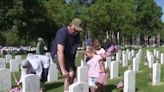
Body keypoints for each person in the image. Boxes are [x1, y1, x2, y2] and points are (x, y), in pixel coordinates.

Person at [51, 18, 83, 92]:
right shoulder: (62, 32)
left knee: (73, 75)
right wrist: (63, 70)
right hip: (58, 55)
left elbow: (73, 51)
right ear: (71, 25)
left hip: (69, 56)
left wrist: (72, 65)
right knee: (69, 74)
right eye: (75, 30)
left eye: (78, 31)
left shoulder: (77, 36)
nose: (76, 33)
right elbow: (60, 51)